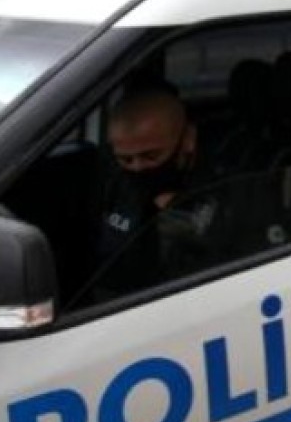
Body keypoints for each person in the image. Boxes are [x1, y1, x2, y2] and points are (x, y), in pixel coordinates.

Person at [84, 84, 226, 301]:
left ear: (187, 139)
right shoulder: (111, 182)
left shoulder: (224, 190)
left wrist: (179, 217)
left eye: (151, 156)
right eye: (125, 159)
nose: (137, 168)